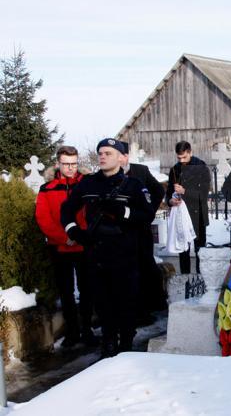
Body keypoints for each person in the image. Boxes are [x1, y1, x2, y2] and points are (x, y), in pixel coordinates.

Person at [61, 138, 155, 358]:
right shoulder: (88, 184)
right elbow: (67, 210)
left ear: (121, 158)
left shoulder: (132, 186)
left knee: (126, 301)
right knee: (103, 302)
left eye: (108, 153)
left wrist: (123, 212)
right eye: (100, 153)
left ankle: (127, 346)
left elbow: (147, 215)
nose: (102, 156)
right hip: (96, 252)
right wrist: (74, 231)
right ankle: (108, 344)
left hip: (125, 253)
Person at [35, 146, 97, 347]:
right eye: (66, 164)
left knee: (87, 289)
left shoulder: (88, 184)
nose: (70, 168)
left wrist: (81, 235)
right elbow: (43, 218)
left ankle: (87, 329)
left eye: (73, 164)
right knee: (66, 291)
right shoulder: (47, 189)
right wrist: (64, 237)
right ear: (58, 164)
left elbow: (93, 213)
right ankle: (72, 332)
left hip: (83, 245)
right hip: (60, 247)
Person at [119, 141, 166, 325]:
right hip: (121, 231)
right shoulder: (109, 175)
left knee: (145, 267)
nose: (120, 159)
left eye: (122, 155)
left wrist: (149, 211)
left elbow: (157, 190)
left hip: (141, 228)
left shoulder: (141, 171)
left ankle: (147, 308)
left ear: (126, 156)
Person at [166, 141, 211, 274]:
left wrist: (184, 191)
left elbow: (203, 194)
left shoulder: (201, 167)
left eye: (184, 157)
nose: (182, 161)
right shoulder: (174, 169)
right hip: (181, 214)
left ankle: (201, 279)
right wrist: (170, 201)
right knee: (183, 250)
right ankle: (185, 278)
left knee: (199, 250)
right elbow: (169, 191)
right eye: (179, 158)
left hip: (198, 215)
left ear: (190, 152)